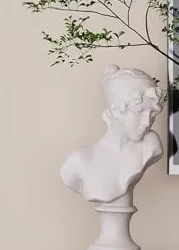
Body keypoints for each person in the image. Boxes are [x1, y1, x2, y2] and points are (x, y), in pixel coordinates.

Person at [60, 65, 164, 204]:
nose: (147, 122)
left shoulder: (150, 145)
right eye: (140, 111)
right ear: (115, 110)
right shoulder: (78, 160)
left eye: (152, 114)